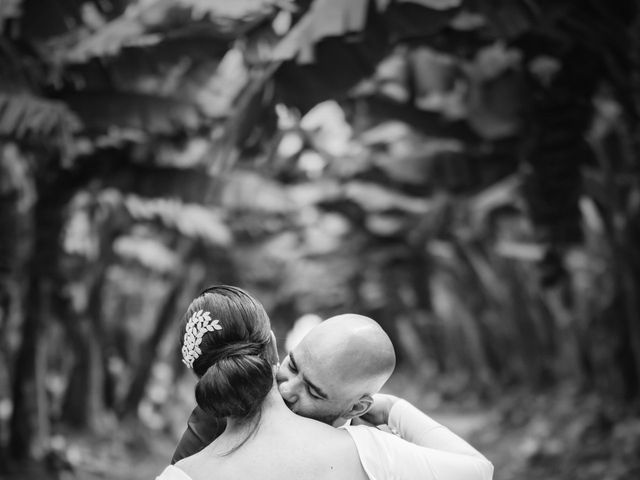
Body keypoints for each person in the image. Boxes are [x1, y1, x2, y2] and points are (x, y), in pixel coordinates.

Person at [157, 285, 493, 480]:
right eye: (292, 366)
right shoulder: (369, 453)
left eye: (314, 392)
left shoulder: (181, 475)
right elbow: (478, 471)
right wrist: (396, 411)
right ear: (275, 345)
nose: (288, 390)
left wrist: (392, 408)